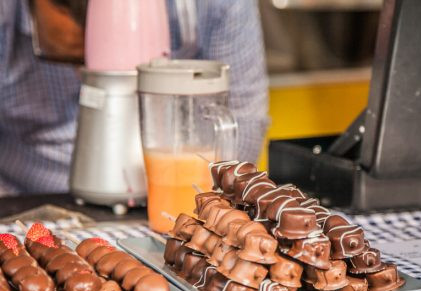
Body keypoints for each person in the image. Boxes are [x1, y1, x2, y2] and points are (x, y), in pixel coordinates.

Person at [0, 0, 268, 196]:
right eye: (72, 56)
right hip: (24, 199)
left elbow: (242, 116)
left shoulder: (214, 6)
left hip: (178, 199)